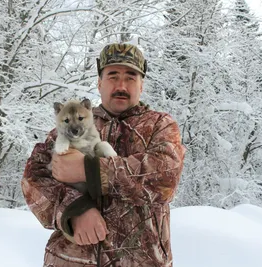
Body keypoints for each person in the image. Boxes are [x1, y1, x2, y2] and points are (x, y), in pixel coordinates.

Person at [22, 43, 186, 267]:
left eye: (130, 77)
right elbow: (33, 177)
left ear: (141, 85)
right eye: (112, 76)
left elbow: (165, 177)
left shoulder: (160, 125)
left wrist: (88, 169)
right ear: (99, 83)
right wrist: (75, 210)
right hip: (69, 260)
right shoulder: (73, 123)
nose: (121, 85)